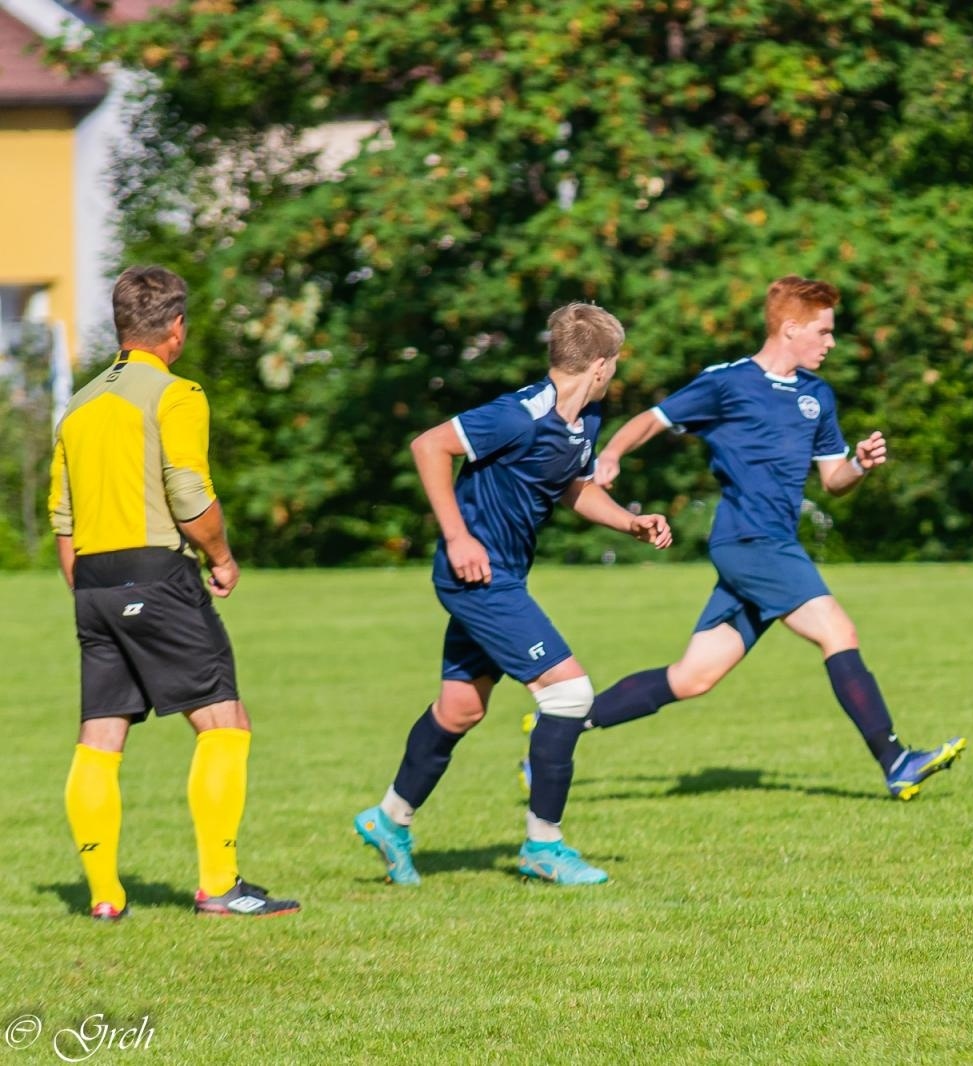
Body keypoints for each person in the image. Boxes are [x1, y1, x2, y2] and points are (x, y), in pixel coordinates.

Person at [552, 275, 966, 800]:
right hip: (750, 542)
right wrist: (610, 455)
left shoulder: (818, 396)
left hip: (772, 545)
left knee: (693, 677)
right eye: (824, 331)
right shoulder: (727, 382)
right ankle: (896, 760)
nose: (831, 342)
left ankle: (558, 732)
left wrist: (859, 465)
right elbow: (652, 420)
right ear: (790, 329)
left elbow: (833, 480)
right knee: (837, 631)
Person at [353, 303, 671, 888]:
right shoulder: (521, 414)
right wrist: (457, 537)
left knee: (461, 709)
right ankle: (543, 846)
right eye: (616, 364)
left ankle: (389, 819)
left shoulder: (584, 421)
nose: (615, 374)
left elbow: (570, 488)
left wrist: (630, 521)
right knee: (570, 694)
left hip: (502, 575)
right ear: (600, 366)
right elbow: (429, 446)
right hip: (478, 576)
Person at [48, 265, 299, 920]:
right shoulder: (176, 394)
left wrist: (90, 590)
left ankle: (104, 897)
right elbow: (189, 495)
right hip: (156, 575)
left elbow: (62, 520)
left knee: (99, 735)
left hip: (93, 583)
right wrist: (221, 556)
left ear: (121, 325)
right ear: (177, 327)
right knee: (224, 723)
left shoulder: (75, 405)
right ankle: (220, 887)